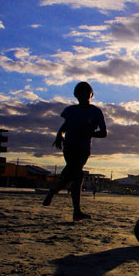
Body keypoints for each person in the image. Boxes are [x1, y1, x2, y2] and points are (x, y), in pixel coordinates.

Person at [42, 82, 107, 221]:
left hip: (83, 149)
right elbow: (65, 125)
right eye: (80, 93)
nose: (83, 95)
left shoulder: (95, 112)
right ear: (75, 95)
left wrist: (89, 133)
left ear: (92, 95)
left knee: (73, 175)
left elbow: (103, 133)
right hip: (70, 146)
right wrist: (59, 136)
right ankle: (75, 210)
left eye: (86, 93)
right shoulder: (70, 110)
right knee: (76, 175)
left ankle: (54, 193)